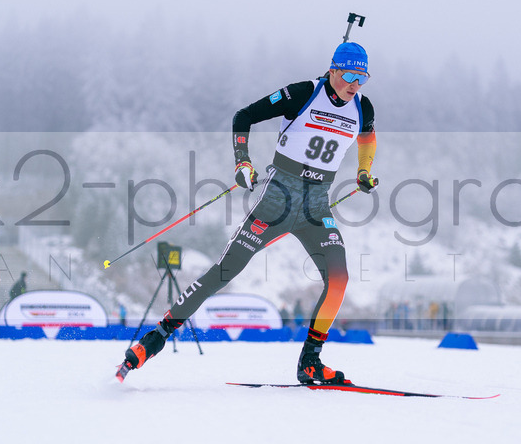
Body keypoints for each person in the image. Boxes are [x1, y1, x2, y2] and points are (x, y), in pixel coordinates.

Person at [119, 41, 378, 384]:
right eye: (348, 75)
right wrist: (243, 161)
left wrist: (363, 171)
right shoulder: (303, 93)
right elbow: (244, 116)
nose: (354, 85)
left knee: (339, 279)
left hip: (317, 205)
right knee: (226, 270)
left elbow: (367, 137)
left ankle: (310, 362)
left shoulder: (362, 106)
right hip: (278, 199)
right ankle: (154, 340)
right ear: (332, 69)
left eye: (362, 78)